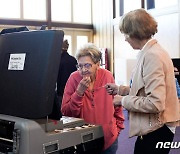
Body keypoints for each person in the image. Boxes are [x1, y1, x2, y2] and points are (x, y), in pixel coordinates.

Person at [105, 9, 180, 154]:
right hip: (155, 127)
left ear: (135, 33)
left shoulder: (152, 55)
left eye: (125, 34)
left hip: (157, 128)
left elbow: (155, 102)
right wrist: (120, 89)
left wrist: (123, 100)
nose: (125, 39)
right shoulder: (150, 51)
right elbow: (144, 88)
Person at [61, 43, 124, 154]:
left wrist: (116, 129)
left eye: (87, 65)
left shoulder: (108, 76)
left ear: (98, 64)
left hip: (109, 139)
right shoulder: (73, 78)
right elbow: (66, 112)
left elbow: (117, 104)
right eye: (80, 66)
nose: (83, 70)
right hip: (83, 141)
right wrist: (79, 92)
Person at [49, 39, 77, 120]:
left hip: (61, 93)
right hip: (74, 91)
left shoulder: (57, 61)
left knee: (63, 116)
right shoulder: (73, 60)